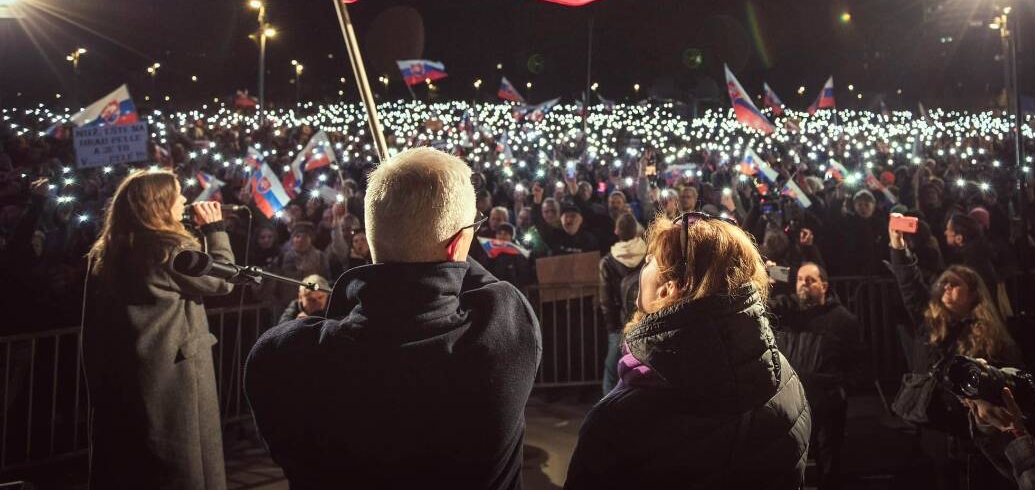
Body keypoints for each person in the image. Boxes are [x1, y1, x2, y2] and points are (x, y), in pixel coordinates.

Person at [245, 147, 541, 489]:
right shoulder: (506, 329)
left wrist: (400, 229)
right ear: (460, 243)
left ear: (372, 238)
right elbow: (483, 281)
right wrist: (447, 234)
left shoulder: (280, 358)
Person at [565, 212, 811, 489]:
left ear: (669, 289)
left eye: (648, 262)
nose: (641, 271)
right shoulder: (786, 380)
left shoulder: (619, 422)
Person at [81, 169, 234, 490]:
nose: (184, 201)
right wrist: (216, 230)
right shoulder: (169, 248)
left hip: (126, 374)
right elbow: (222, 279)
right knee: (178, 465)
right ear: (159, 204)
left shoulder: (106, 251)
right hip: (174, 376)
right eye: (177, 195)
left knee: (134, 464)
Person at [887, 216, 1021, 489]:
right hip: (935, 420)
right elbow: (910, 286)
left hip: (973, 427)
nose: (946, 288)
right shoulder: (930, 324)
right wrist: (898, 245)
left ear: (973, 295)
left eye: (955, 284)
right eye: (944, 284)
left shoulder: (992, 336)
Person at [769, 262, 861, 490]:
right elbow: (757, 312)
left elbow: (857, 359)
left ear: (824, 285)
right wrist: (766, 283)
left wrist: (843, 389)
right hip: (790, 401)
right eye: (800, 279)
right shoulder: (785, 312)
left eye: (810, 280)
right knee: (788, 458)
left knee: (828, 459)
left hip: (827, 401)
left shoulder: (842, 319)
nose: (804, 284)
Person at [598, 212, 646, 394]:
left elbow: (606, 299)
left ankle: (607, 411)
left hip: (620, 322)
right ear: (636, 231)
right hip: (644, 319)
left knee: (612, 370)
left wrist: (612, 327)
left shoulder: (608, 261)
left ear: (616, 230)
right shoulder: (648, 254)